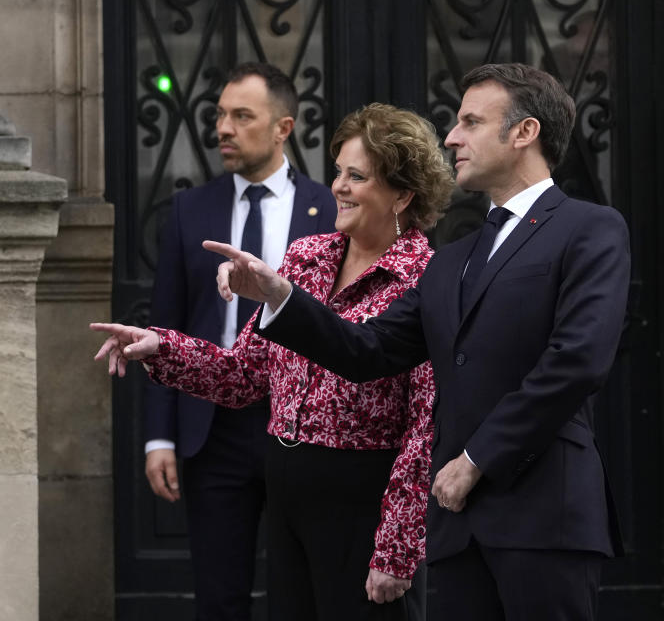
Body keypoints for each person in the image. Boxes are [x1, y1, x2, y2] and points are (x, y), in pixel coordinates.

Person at [203, 62, 630, 620]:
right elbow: (365, 351)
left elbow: (576, 362)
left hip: (544, 519)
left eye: (472, 122)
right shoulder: (454, 259)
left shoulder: (590, 228)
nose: (452, 136)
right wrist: (280, 294)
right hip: (458, 530)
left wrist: (476, 458)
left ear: (525, 133)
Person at [93, 102, 453, 620]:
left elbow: (425, 428)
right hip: (285, 485)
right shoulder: (307, 258)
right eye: (338, 172)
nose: (339, 186)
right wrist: (162, 347)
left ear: (402, 194)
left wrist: (396, 548)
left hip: (363, 499)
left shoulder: (425, 279)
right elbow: (243, 376)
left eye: (357, 176)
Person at [141, 61, 336, 620]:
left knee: (297, 594)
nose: (223, 127)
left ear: (283, 128)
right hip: (211, 428)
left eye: (241, 116)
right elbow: (165, 326)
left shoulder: (328, 210)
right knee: (219, 594)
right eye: (220, 114)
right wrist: (159, 437)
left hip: (298, 423)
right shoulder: (189, 209)